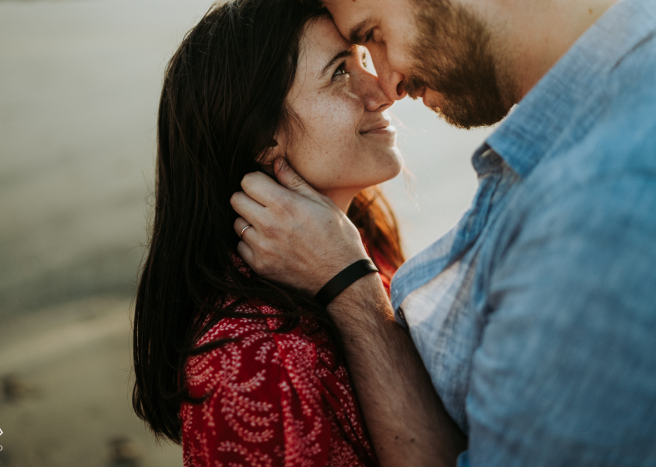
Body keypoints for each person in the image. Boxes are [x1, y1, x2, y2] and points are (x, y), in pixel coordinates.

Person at [230, 0, 656, 465]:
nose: (388, 84)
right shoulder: (602, 117)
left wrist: (351, 289)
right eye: (345, 64)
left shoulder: (599, 202)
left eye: (375, 34)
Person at [131, 0, 415, 465]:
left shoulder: (366, 229)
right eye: (340, 73)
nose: (384, 90)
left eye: (363, 60)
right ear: (263, 138)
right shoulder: (255, 363)